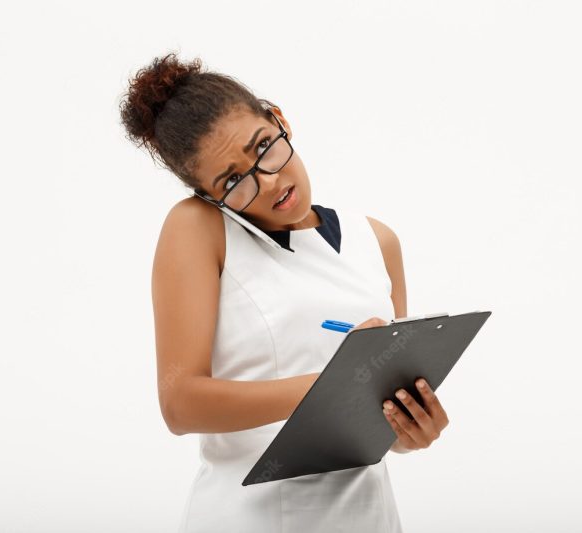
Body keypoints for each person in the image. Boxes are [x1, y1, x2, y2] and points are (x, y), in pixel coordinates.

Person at [119, 51, 451, 533]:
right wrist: (339, 380)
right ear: (210, 197)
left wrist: (410, 430)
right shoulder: (200, 228)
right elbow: (180, 402)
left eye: (262, 147)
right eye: (233, 181)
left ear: (279, 119)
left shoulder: (375, 240)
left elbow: (379, 424)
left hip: (368, 517)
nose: (269, 182)